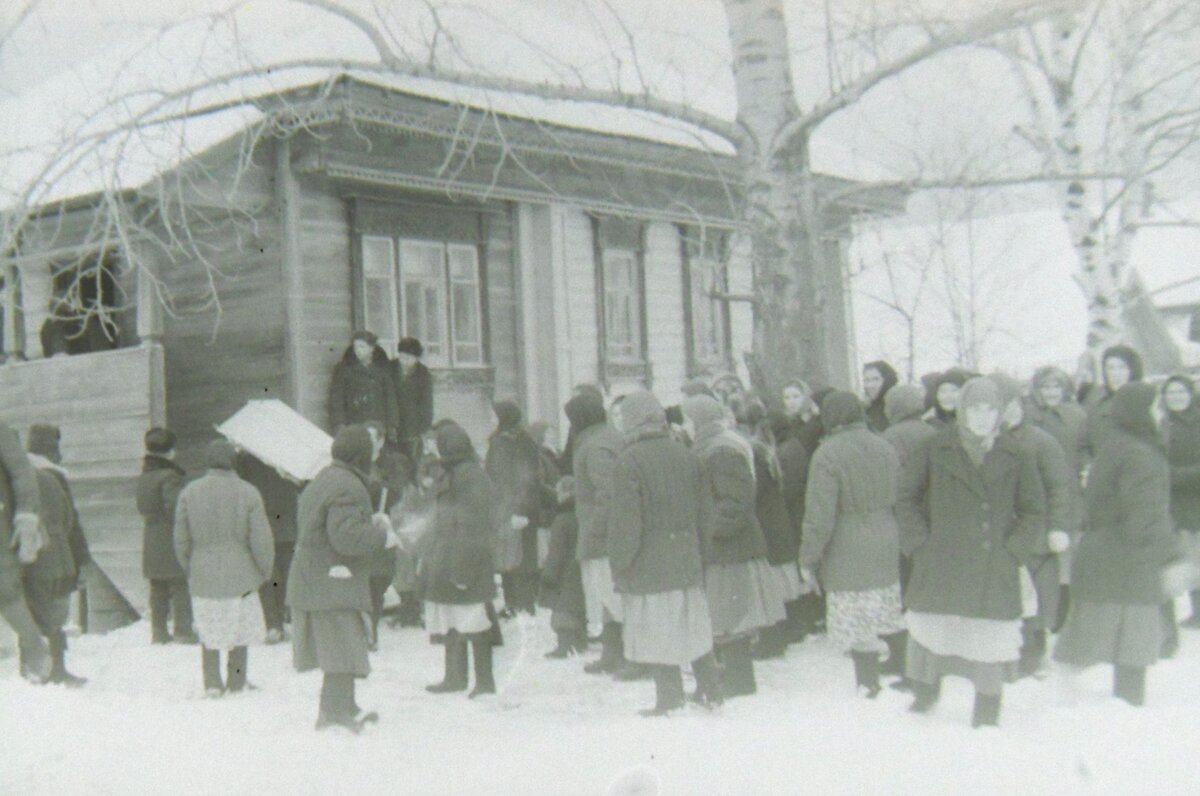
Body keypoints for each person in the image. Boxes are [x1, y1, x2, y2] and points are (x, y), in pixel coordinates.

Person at [896, 376, 1046, 728]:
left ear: (999, 413)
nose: (982, 416)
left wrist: (1014, 551)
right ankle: (925, 693)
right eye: (975, 408)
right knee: (934, 631)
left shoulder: (1016, 453)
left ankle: (987, 710)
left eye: (989, 409)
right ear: (961, 410)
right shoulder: (935, 447)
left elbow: (1033, 510)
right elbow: (906, 498)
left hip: (994, 563)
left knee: (990, 637)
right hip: (942, 561)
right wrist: (920, 544)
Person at [1055, 382, 1182, 705]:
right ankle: (1121, 717)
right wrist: (1172, 557)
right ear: (1142, 412)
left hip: (1104, 560)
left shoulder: (1116, 445)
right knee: (1132, 650)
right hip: (1130, 565)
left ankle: (1082, 709)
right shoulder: (1142, 455)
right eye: (1156, 406)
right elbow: (1147, 518)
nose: (1161, 412)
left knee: (1097, 643)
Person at [608, 390, 722, 716]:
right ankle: (710, 689)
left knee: (657, 628)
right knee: (693, 625)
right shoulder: (686, 454)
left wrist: (620, 563)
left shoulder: (628, 462)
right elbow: (706, 512)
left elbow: (626, 524)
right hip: (687, 556)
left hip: (650, 561)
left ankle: (670, 698)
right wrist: (702, 553)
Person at [288, 425, 399, 732]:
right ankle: (333, 712)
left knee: (344, 644)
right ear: (360, 454)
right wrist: (381, 535)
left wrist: (370, 522)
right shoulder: (349, 485)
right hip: (332, 578)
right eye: (371, 449)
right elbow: (346, 538)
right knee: (341, 645)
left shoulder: (328, 477)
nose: (375, 455)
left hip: (319, 576)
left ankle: (343, 706)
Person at [799, 392, 905, 697]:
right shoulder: (884, 445)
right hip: (886, 534)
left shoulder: (827, 454)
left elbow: (820, 515)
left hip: (847, 542)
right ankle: (908, 671)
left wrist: (808, 557)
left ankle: (867, 682)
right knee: (885, 608)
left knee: (857, 616)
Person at [682, 394, 784, 700]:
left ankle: (740, 680)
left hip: (731, 548)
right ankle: (734, 675)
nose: (682, 426)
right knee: (726, 614)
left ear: (698, 420)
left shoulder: (721, 449)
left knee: (731, 616)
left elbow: (736, 502)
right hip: (726, 546)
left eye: (686, 418)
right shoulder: (713, 445)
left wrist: (709, 531)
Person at [994, 375, 1080, 674]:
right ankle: (1006, 656)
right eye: (998, 406)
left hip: (1038, 536)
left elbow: (1060, 486)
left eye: (1011, 404)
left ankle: (1033, 655)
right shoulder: (986, 441)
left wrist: (1057, 526)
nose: (1006, 412)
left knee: (1039, 597)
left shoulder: (1040, 441)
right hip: (1002, 535)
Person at [174, 440, 274, 696]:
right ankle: (236, 681)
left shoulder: (189, 492)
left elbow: (181, 539)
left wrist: (190, 566)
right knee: (239, 629)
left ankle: (212, 683)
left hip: (203, 569)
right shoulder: (249, 492)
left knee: (208, 628)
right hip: (241, 571)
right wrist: (264, 570)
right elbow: (260, 539)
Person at [422, 421, 502, 698]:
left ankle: (484, 682)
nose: (432, 448)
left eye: (436, 443)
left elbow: (474, 527)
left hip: (466, 560)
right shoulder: (455, 472)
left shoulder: (471, 477)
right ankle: (454, 677)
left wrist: (463, 570)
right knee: (452, 620)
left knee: (474, 621)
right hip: (448, 557)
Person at [566, 391, 631, 676]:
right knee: (608, 599)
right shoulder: (608, 437)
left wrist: (594, 529)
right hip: (609, 533)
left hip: (603, 537)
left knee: (611, 596)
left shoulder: (595, 445)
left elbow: (608, 493)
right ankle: (613, 653)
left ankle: (630, 657)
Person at [22, 425, 89, 686]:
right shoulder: (53, 477)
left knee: (31, 611)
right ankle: (56, 670)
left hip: (27, 555)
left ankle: (33, 669)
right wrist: (81, 556)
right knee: (54, 613)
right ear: (52, 448)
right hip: (56, 555)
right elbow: (70, 520)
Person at [736, 402, 801, 660]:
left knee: (769, 585)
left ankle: (774, 641)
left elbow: (755, 492)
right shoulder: (766, 448)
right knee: (776, 583)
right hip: (776, 521)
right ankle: (781, 634)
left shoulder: (753, 452)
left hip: (765, 524)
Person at [1027, 365, 1087, 629]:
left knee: (1067, 554)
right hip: (1036, 492)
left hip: (1069, 492)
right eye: (1045, 387)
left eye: (1056, 387)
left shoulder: (1077, 415)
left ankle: (1065, 616)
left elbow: (1086, 447)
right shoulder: (1029, 415)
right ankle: (1040, 616)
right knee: (1040, 554)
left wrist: (1085, 466)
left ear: (1066, 389)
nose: (1051, 393)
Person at [136, 427, 196, 645]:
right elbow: (176, 509)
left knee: (157, 586)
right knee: (179, 583)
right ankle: (183, 630)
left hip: (151, 535)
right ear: (170, 451)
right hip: (169, 535)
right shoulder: (170, 476)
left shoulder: (145, 475)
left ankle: (159, 632)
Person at [485, 401, 543, 617]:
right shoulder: (522, 440)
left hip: (512, 509)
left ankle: (518, 604)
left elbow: (512, 480)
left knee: (513, 557)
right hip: (521, 508)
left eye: (494, 416)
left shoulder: (503, 443)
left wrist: (514, 511)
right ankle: (521, 603)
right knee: (521, 556)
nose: (491, 419)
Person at [236, 452, 300, 645]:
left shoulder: (246, 459)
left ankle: (273, 624)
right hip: (286, 522)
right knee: (286, 573)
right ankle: (286, 618)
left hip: (262, 522)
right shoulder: (288, 456)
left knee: (268, 575)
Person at [778, 379, 824, 640]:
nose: (791, 401)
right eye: (786, 396)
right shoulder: (788, 427)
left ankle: (815, 609)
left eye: (795, 395)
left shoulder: (812, 427)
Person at [1163, 375, 1200, 628]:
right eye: (1171, 393)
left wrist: (1176, 475)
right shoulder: (1162, 425)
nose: (1176, 397)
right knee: (1189, 555)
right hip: (1175, 501)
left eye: (1181, 392)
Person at [540, 476, 586, 658]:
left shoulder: (561, 520)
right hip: (579, 570)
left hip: (563, 574)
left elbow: (556, 552)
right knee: (578, 608)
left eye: (559, 491)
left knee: (562, 611)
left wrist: (548, 575)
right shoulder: (580, 514)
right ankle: (580, 642)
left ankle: (564, 647)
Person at [329, 330, 398, 440]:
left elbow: (390, 398)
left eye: (362, 347)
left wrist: (392, 425)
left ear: (372, 348)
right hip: (354, 423)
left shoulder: (382, 370)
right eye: (356, 347)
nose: (358, 351)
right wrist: (339, 423)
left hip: (377, 424)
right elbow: (337, 399)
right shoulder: (344, 370)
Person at [1081, 345, 1144, 465]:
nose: (1115, 374)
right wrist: (1089, 467)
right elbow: (1084, 443)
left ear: (1132, 370)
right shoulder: (1095, 401)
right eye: (1110, 368)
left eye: (1122, 368)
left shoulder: (1146, 400)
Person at [395, 337, 434, 468]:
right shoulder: (390, 369)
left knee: (412, 461)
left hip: (413, 427)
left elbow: (427, 404)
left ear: (416, 358)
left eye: (408, 358)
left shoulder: (423, 374)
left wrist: (424, 428)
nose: (403, 361)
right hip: (394, 424)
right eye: (401, 357)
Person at [862, 360, 899, 434]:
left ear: (887, 380)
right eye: (866, 380)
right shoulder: (865, 410)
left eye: (876, 379)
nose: (870, 385)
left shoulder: (898, 408)